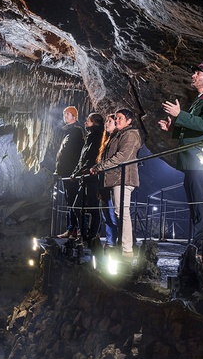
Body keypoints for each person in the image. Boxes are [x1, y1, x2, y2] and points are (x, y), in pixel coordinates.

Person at [159, 60, 203, 265]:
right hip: (193, 159)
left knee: (202, 207)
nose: (193, 75)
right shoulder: (201, 99)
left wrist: (180, 115)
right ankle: (200, 248)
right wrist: (173, 127)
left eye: (198, 73)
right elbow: (195, 125)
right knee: (196, 206)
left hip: (200, 159)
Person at [89, 109, 142, 259]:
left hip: (123, 178)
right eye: (116, 118)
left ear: (129, 121)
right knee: (118, 213)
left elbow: (122, 156)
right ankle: (123, 246)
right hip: (115, 178)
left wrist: (99, 167)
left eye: (120, 118)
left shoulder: (131, 134)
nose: (117, 120)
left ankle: (126, 249)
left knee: (122, 213)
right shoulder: (117, 135)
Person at [71, 113, 105, 244]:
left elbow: (90, 157)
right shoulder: (90, 136)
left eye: (88, 121)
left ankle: (91, 235)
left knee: (93, 207)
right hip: (84, 177)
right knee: (77, 207)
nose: (85, 122)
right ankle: (85, 233)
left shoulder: (96, 137)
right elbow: (82, 158)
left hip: (91, 177)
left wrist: (79, 172)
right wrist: (76, 172)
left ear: (95, 123)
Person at [54, 106, 85, 238]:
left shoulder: (76, 132)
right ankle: (71, 228)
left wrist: (73, 171)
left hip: (71, 173)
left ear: (74, 117)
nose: (65, 116)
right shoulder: (69, 131)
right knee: (69, 201)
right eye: (64, 114)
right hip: (67, 172)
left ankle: (75, 229)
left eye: (68, 114)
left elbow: (73, 153)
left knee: (72, 200)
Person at [97, 114, 118, 248]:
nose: (107, 123)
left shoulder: (116, 140)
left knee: (113, 214)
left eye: (110, 121)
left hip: (112, 181)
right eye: (106, 121)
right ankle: (110, 241)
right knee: (107, 215)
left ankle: (115, 241)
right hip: (103, 182)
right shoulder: (106, 141)